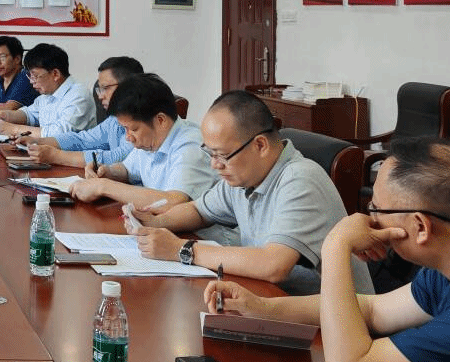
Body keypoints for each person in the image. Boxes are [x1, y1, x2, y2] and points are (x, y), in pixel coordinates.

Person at [206, 139, 450, 362]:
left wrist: (336, 244)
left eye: (376, 209)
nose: (369, 219)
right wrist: (262, 308)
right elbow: (373, 310)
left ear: (420, 227)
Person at [132, 89, 373, 295]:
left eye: (222, 155)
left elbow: (274, 265)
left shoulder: (300, 179)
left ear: (260, 145)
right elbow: (199, 210)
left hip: (335, 321)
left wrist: (181, 250)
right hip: (272, 301)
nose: (215, 165)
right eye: (211, 153)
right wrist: (154, 222)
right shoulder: (245, 175)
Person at [66, 73, 215, 209]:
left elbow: (174, 202)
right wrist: (107, 172)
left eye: (133, 129)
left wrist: (103, 186)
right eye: (124, 129)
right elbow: (127, 170)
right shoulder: (151, 140)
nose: (127, 137)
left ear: (160, 120)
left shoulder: (190, 147)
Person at [15, 56, 143, 167]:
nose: (100, 96)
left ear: (129, 86)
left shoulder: (143, 118)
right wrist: (38, 141)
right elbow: (82, 140)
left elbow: (118, 157)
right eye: (99, 89)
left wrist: (55, 156)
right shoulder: (113, 120)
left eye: (105, 88)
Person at [0, 42, 96, 139]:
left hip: (71, 152)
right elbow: (29, 114)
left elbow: (59, 134)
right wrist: (6, 115)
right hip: (45, 149)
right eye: (30, 76)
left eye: (35, 76)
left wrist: (14, 129)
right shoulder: (47, 95)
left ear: (55, 74)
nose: (31, 81)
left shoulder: (79, 96)